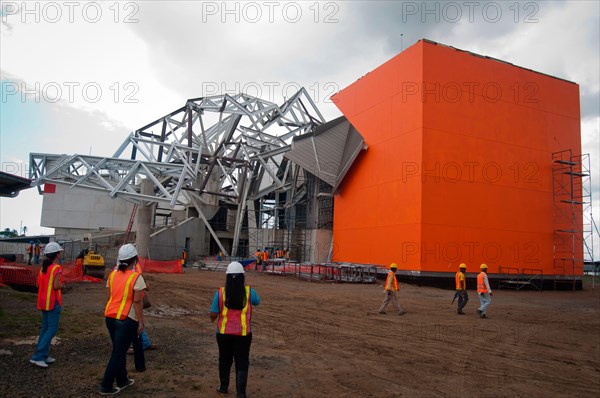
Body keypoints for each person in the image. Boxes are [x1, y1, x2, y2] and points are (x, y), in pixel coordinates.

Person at [99, 244, 147, 395]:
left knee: (118, 350)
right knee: (118, 353)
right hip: (126, 319)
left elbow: (109, 296)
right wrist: (140, 321)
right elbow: (138, 302)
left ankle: (122, 380)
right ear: (135, 260)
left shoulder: (113, 275)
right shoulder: (136, 278)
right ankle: (106, 385)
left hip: (110, 317)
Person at [210, 261, 260, 398]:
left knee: (224, 360)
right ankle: (241, 393)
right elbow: (257, 301)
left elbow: (213, 313)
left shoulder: (220, 293)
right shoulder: (249, 292)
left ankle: (223, 387)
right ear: (242, 277)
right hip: (243, 334)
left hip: (223, 334)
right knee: (242, 361)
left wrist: (213, 318)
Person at [30, 242, 64, 368]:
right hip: (53, 302)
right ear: (57, 254)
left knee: (44, 328)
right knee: (52, 329)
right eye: (60, 251)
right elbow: (56, 286)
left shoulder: (42, 269)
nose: (61, 253)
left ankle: (43, 354)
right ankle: (38, 356)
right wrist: (62, 285)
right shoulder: (57, 268)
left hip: (43, 301)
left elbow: (38, 285)